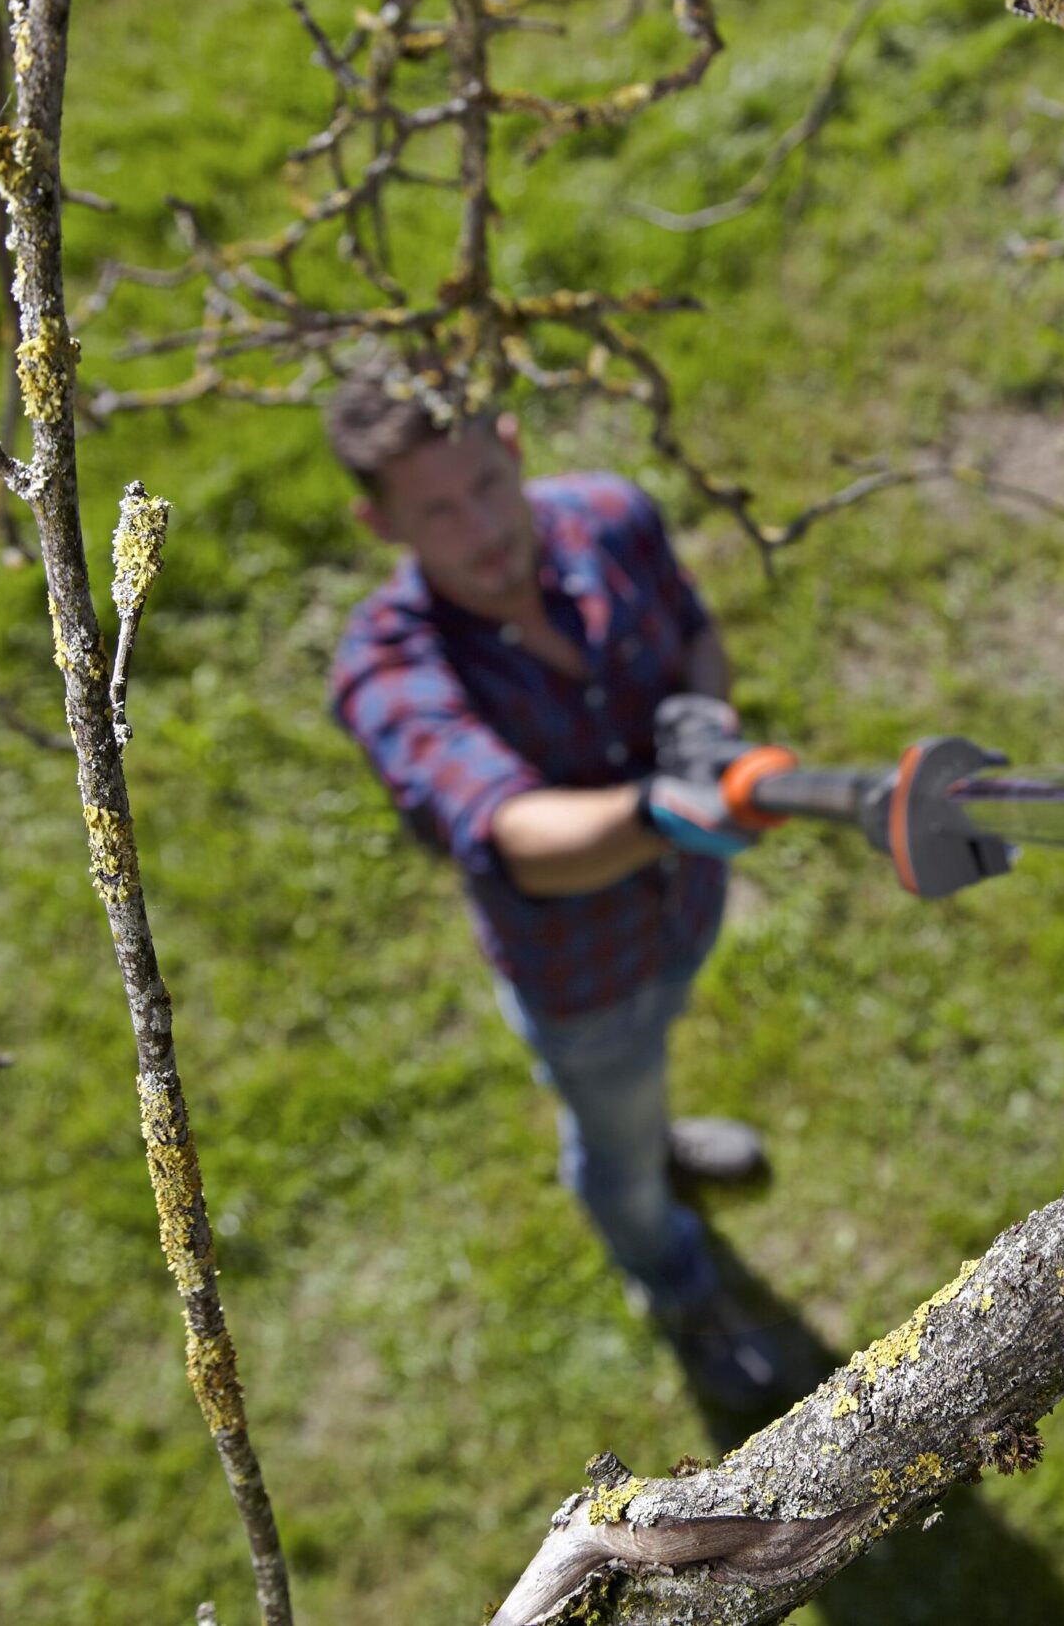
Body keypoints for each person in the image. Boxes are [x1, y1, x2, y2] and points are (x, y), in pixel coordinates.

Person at [324, 367, 784, 1407]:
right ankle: (673, 1278)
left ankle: (656, 1134)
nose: (481, 528)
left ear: (515, 443)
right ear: (376, 520)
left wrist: (704, 731)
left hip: (680, 912)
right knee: (609, 1141)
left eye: (487, 482)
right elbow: (514, 832)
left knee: (646, 1067)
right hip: (578, 974)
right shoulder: (389, 668)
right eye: (435, 510)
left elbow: (696, 636)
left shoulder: (611, 518)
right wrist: (661, 810)